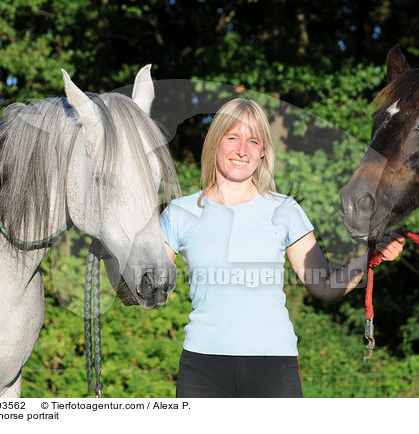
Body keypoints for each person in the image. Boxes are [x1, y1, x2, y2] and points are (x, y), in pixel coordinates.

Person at [159, 98, 405, 398]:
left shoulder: (284, 210)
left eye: (253, 140)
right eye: (232, 137)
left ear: (263, 151)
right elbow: (143, 287)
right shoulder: (179, 212)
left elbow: (324, 286)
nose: (242, 150)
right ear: (215, 142)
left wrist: (370, 256)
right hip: (202, 367)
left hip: (273, 367)